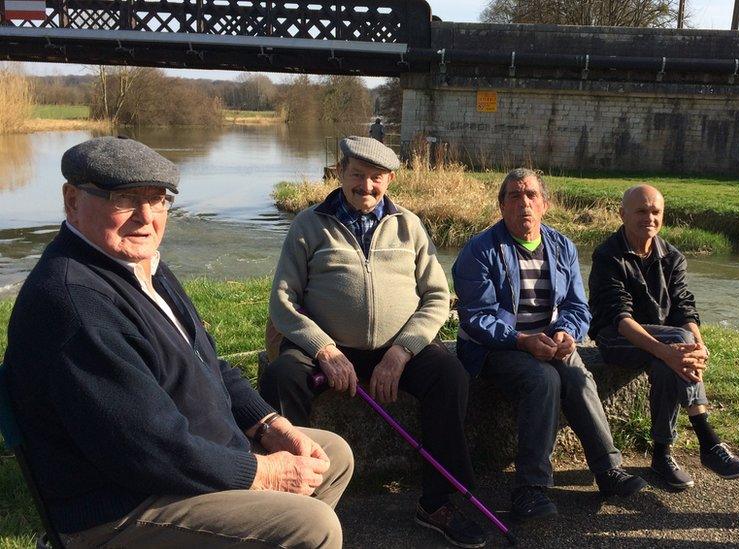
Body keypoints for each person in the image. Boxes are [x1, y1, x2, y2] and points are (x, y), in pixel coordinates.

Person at [2, 136, 353, 548]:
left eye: (158, 199)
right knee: (310, 525)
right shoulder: (73, 302)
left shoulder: (142, 265)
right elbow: (148, 449)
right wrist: (262, 472)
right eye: (125, 198)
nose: (145, 217)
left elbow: (207, 361)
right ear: (72, 200)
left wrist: (269, 424)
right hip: (124, 506)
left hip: (186, 459)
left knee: (332, 456)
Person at [259, 136, 485, 548]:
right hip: (326, 348)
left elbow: (436, 296)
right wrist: (323, 349)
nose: (366, 186)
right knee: (282, 375)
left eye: (376, 178)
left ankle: (438, 502)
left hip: (396, 347)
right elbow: (283, 300)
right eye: (357, 175)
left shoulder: (409, 225)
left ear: (390, 180)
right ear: (340, 172)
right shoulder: (308, 224)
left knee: (450, 375)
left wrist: (403, 350)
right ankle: (287, 501)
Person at [452, 168, 647, 522]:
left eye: (531, 196)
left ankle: (607, 469)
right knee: (544, 380)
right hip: (496, 348)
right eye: (514, 196)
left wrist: (566, 332)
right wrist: (522, 341)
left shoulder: (562, 247)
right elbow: (476, 318)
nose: (523, 203)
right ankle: (530, 489)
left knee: (577, 374)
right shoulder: (479, 251)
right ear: (501, 205)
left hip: (548, 341)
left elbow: (577, 305)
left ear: (544, 204)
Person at [588, 185, 739, 490]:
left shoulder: (672, 256)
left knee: (669, 364)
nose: (649, 218)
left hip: (663, 339)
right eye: (641, 211)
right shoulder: (608, 255)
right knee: (672, 348)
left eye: (655, 212)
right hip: (616, 338)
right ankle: (708, 440)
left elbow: (683, 306)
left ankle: (662, 455)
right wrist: (669, 349)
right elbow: (619, 318)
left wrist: (697, 347)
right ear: (622, 214)